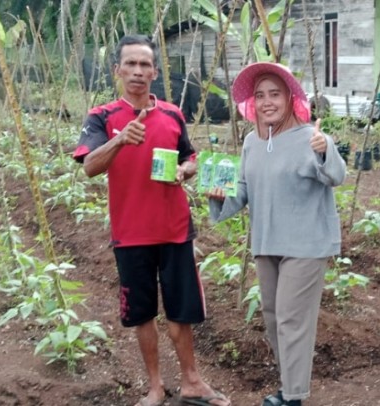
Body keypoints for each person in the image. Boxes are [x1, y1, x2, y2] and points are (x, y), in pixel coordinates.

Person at [73, 35, 230, 406]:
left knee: (182, 310)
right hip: (130, 235)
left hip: (175, 230)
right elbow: (90, 167)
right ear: (118, 70)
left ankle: (192, 382)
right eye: (130, 64)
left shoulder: (173, 114)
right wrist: (120, 140)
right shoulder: (101, 117)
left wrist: (185, 170)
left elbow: (190, 158)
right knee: (143, 314)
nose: (138, 72)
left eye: (145, 65)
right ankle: (156, 387)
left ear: (155, 71)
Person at [207, 62, 346, 406]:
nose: (267, 101)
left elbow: (336, 175)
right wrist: (219, 197)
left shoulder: (308, 138)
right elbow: (242, 189)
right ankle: (288, 387)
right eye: (260, 95)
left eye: (275, 94)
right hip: (267, 242)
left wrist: (325, 146)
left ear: (289, 97)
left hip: (306, 244)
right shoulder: (253, 141)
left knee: (291, 317)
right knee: (272, 316)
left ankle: (294, 397)